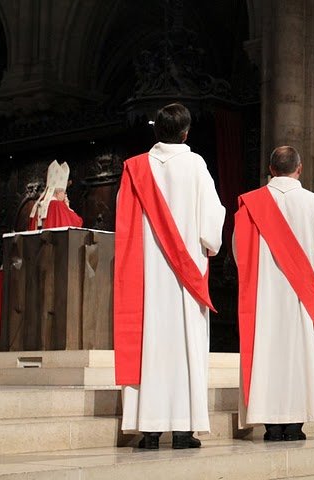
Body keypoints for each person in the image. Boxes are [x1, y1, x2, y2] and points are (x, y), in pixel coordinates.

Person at [114, 103, 225, 449]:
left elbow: (122, 217)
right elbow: (211, 222)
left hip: (145, 274)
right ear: (186, 132)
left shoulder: (135, 168)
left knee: (150, 345)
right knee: (185, 347)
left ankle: (148, 429)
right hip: (185, 274)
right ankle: (182, 430)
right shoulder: (195, 166)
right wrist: (209, 247)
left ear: (155, 130)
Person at [234, 146, 314, 441]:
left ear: (270, 169)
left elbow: (237, 247)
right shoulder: (313, 202)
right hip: (299, 294)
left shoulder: (251, 203)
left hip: (263, 293)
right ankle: (294, 424)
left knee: (267, 352)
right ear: (300, 168)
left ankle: (269, 422)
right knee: (297, 353)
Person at [29, 160, 83, 230]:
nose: (65, 196)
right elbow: (77, 222)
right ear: (58, 193)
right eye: (64, 192)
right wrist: (67, 208)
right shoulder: (58, 205)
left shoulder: (38, 205)